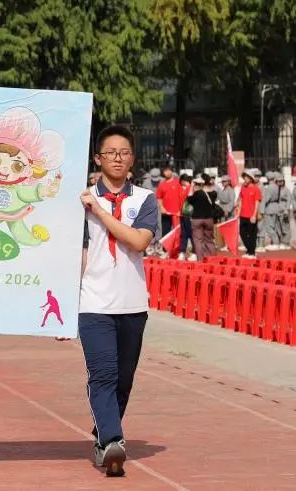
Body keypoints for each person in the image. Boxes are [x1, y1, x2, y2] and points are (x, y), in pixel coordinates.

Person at [74, 125, 157, 477]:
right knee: (103, 373)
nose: (118, 158)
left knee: (124, 379)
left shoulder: (145, 200)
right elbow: (79, 255)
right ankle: (111, 440)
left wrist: (101, 212)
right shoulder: (80, 202)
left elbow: (138, 242)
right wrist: (64, 308)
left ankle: (103, 432)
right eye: (111, 153)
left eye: (124, 153)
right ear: (98, 158)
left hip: (132, 303)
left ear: (132, 159)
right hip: (93, 303)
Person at [187, 175, 217, 261]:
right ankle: (213, 260)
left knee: (198, 240)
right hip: (209, 219)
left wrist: (192, 187)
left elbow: (189, 199)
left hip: (197, 219)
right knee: (209, 240)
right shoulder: (213, 193)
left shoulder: (197, 194)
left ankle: (200, 260)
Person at [261, 172, 290, 250]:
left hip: (269, 208)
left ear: (267, 178)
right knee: (275, 226)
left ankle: (275, 242)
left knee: (269, 227)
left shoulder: (269, 188)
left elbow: (266, 199)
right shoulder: (277, 187)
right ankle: (277, 242)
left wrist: (261, 210)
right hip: (276, 208)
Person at [237, 172, 262, 259]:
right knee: (242, 233)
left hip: (251, 216)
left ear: (251, 179)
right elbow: (241, 200)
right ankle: (250, 250)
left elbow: (257, 203)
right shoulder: (243, 188)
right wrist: (238, 213)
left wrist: (254, 215)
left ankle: (251, 253)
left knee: (252, 235)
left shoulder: (256, 189)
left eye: (247, 177)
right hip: (243, 215)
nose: (245, 179)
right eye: (244, 177)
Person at [154, 166, 181, 238]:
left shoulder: (178, 182)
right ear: (163, 173)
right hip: (166, 212)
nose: (167, 172)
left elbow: (182, 196)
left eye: (169, 170)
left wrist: (181, 209)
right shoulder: (161, 184)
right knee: (166, 232)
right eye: (165, 171)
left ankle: (177, 245)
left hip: (177, 212)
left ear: (172, 171)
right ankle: (166, 245)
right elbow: (159, 198)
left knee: (178, 232)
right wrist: (162, 208)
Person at [177, 174, 193, 260]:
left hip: (188, 214)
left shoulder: (190, 188)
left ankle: (194, 252)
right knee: (183, 233)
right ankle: (182, 251)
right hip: (183, 214)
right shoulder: (184, 189)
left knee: (190, 233)